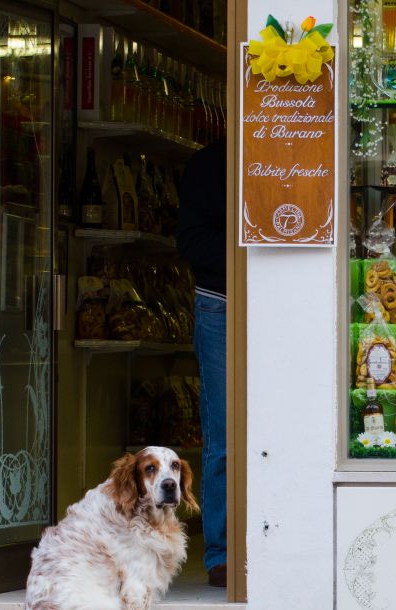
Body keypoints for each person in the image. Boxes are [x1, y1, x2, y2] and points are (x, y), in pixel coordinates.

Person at [176, 136, 228, 587]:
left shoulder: (287, 155)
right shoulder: (208, 164)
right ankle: (222, 554)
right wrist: (248, 250)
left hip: (275, 297)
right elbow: (190, 241)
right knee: (223, 432)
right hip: (220, 304)